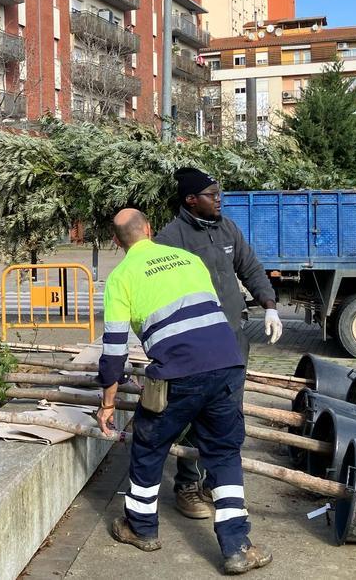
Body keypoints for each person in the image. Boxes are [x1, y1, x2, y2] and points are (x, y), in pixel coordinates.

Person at [95, 209, 272, 575]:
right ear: (149, 230)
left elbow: (113, 349)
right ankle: (238, 547)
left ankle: (141, 529)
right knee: (223, 453)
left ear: (117, 241)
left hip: (178, 374)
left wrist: (108, 403)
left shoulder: (121, 277)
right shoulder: (189, 260)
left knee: (148, 445)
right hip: (227, 364)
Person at [154, 167, 282, 521]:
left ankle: (216, 482)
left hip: (234, 338)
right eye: (212, 194)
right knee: (196, 413)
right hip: (197, 343)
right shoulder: (171, 239)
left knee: (229, 412)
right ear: (191, 200)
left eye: (218, 192)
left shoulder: (227, 228)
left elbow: (250, 267)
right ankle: (187, 485)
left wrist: (269, 306)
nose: (219, 199)